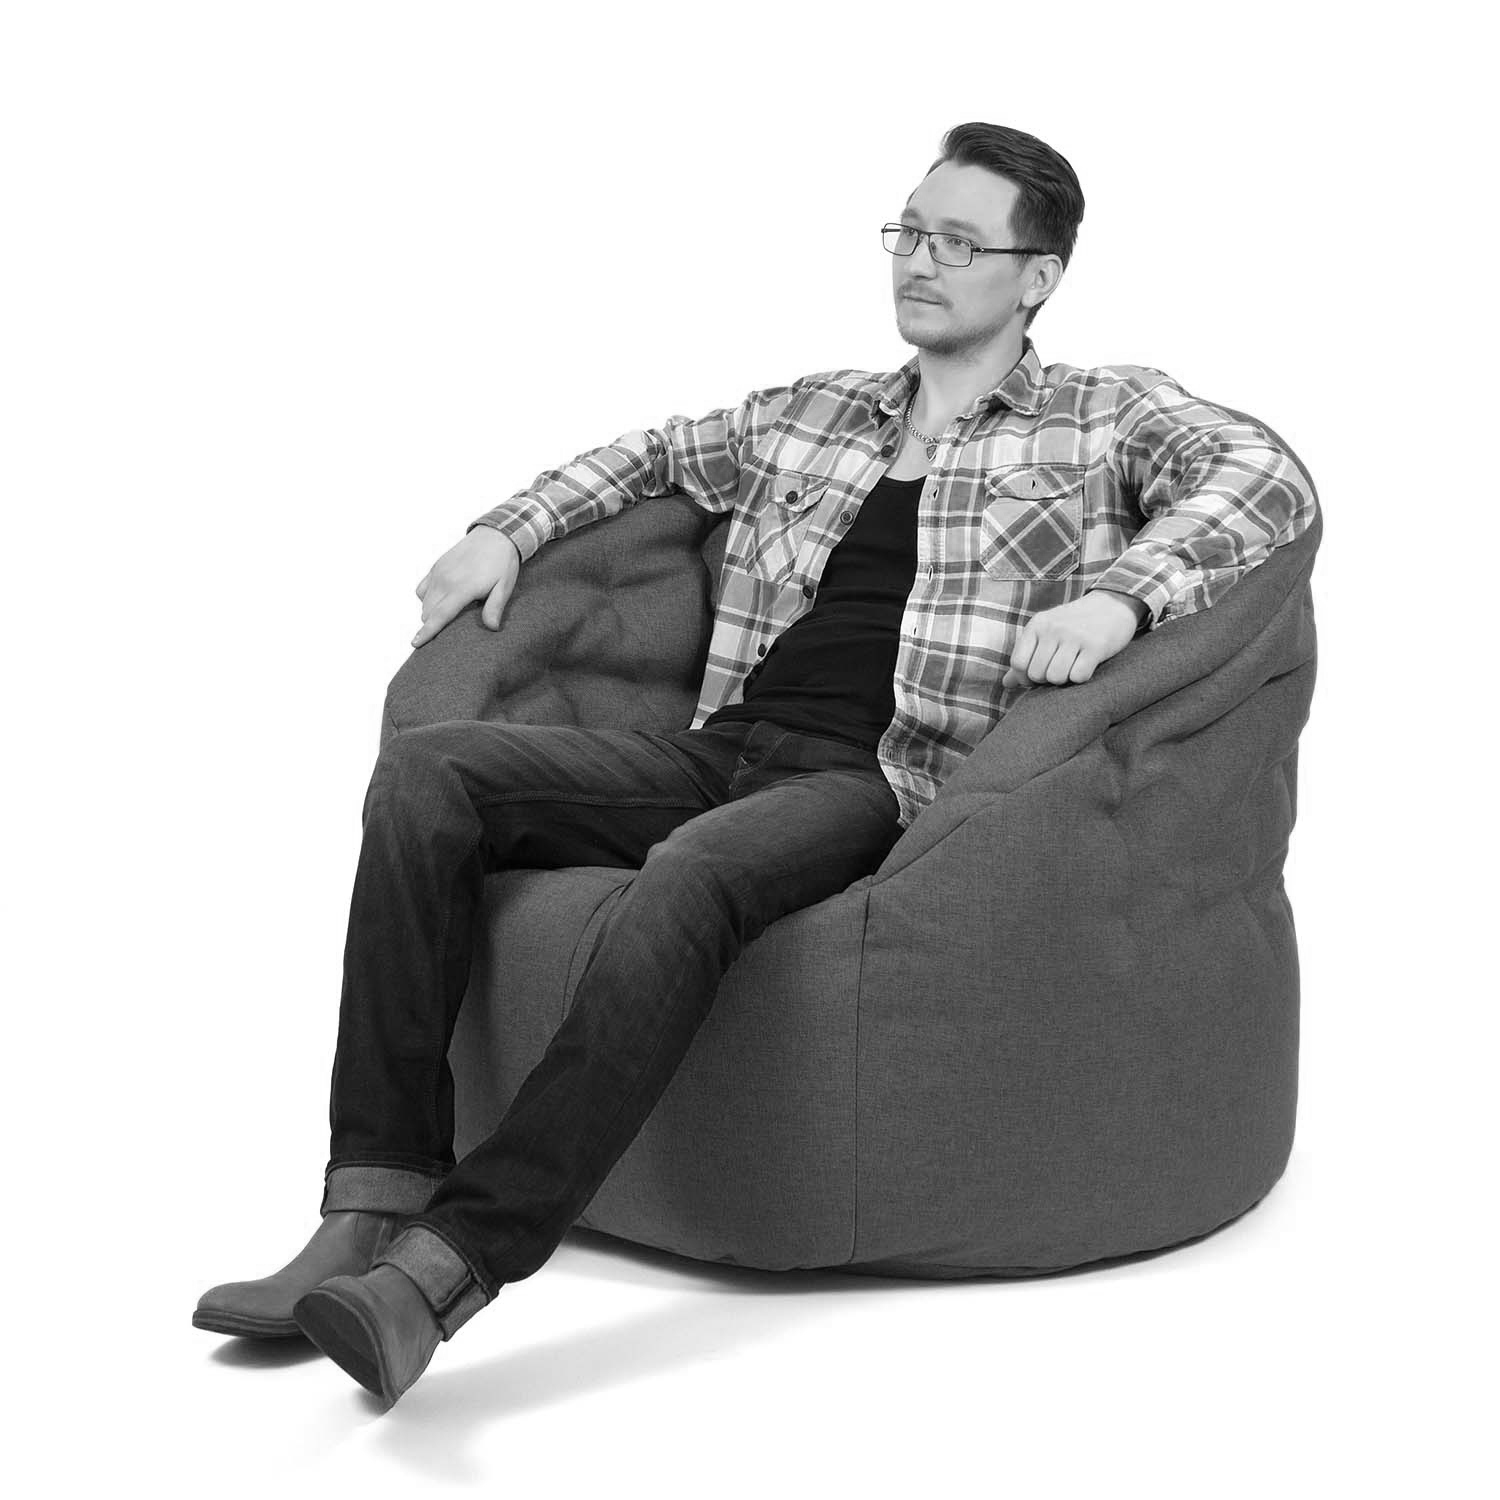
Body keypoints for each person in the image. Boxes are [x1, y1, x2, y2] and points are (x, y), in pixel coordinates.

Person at [194, 120, 1318, 1407]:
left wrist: (1121, 596)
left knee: (690, 875)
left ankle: (447, 1269)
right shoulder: (818, 411)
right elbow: (654, 455)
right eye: (910, 232)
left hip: (877, 782)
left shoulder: (1102, 417)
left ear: (1039, 276)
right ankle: (369, 1201)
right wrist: (505, 532)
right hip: (721, 747)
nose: (921, 261)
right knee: (429, 775)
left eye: (960, 243)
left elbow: (1264, 478)